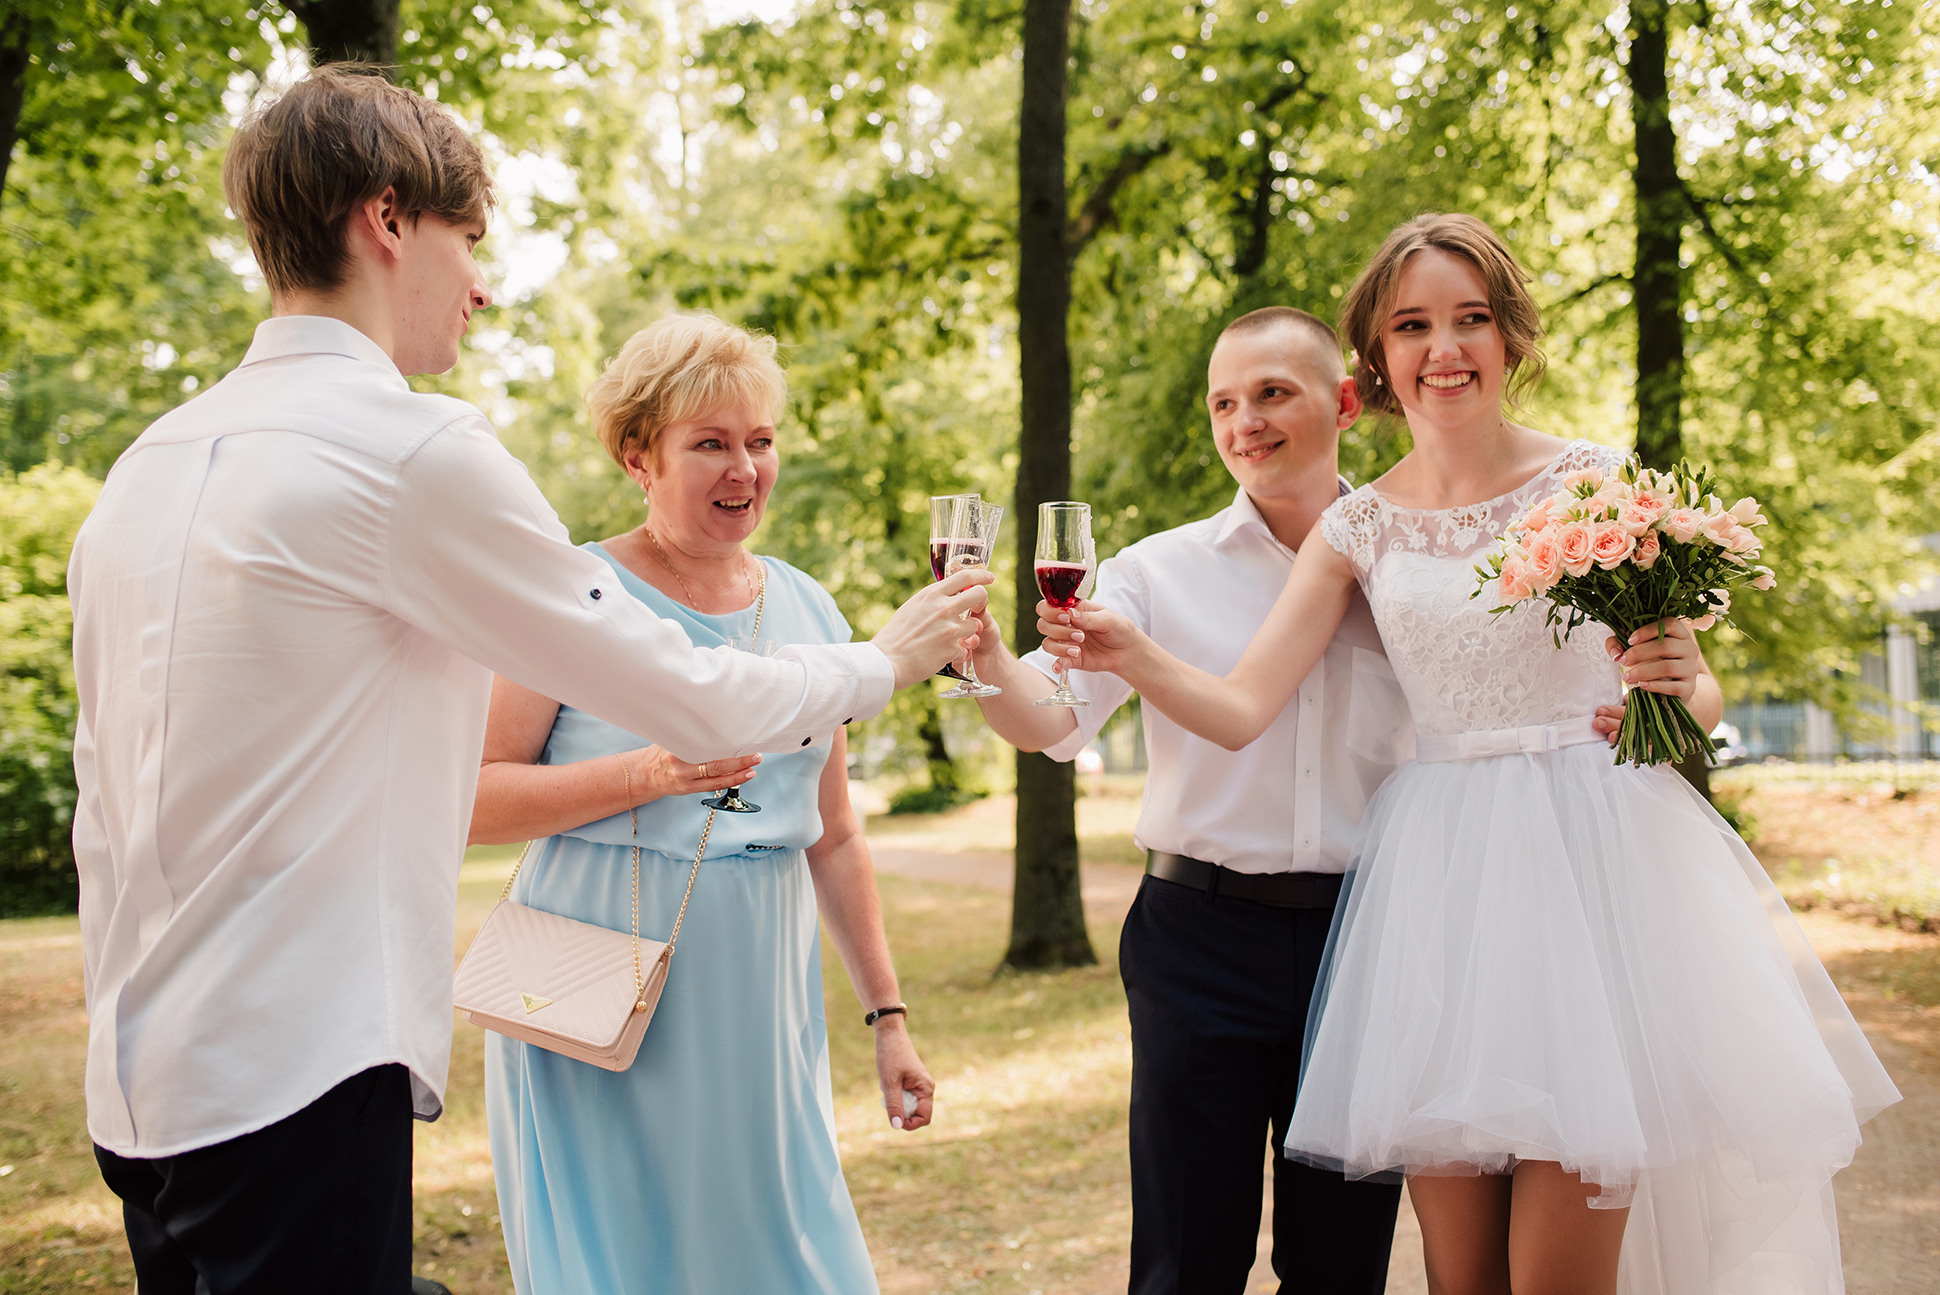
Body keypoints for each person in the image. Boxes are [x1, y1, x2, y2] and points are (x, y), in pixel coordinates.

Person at [66, 68, 987, 1295]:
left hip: (137, 1080)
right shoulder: (412, 451)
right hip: (294, 1066)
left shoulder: (146, 462)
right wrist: (888, 658)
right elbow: (690, 691)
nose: (483, 283)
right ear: (387, 221)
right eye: (469, 239)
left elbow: (102, 787)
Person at [1037, 214, 1899, 1294]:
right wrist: (1130, 649)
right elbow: (1241, 703)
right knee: (1460, 1279)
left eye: (1468, 319)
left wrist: (1683, 675)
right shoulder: (1360, 533)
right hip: (1438, 895)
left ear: (1509, 338)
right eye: (1412, 326)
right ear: (1376, 362)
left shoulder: (1589, 483)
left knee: (1556, 1273)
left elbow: (1685, 690)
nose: (1442, 348)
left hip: (1588, 881)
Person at [973, 307, 1632, 1294]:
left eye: (1271, 393)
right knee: (1183, 1260)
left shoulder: (1419, 562)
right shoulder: (1156, 568)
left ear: (1346, 402)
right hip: (1197, 937)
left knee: (1338, 1267)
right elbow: (1048, 719)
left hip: (1371, 940)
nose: (1244, 421)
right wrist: (980, 659)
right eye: (1222, 403)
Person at [471, 313, 928, 1293]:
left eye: (759, 441)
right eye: (709, 444)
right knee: (626, 1261)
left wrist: (886, 1014)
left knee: (783, 1252)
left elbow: (836, 832)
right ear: (639, 455)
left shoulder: (808, 609)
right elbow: (475, 796)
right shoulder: (572, 594)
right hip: (591, 987)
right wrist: (642, 776)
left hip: (758, 994)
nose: (744, 469)